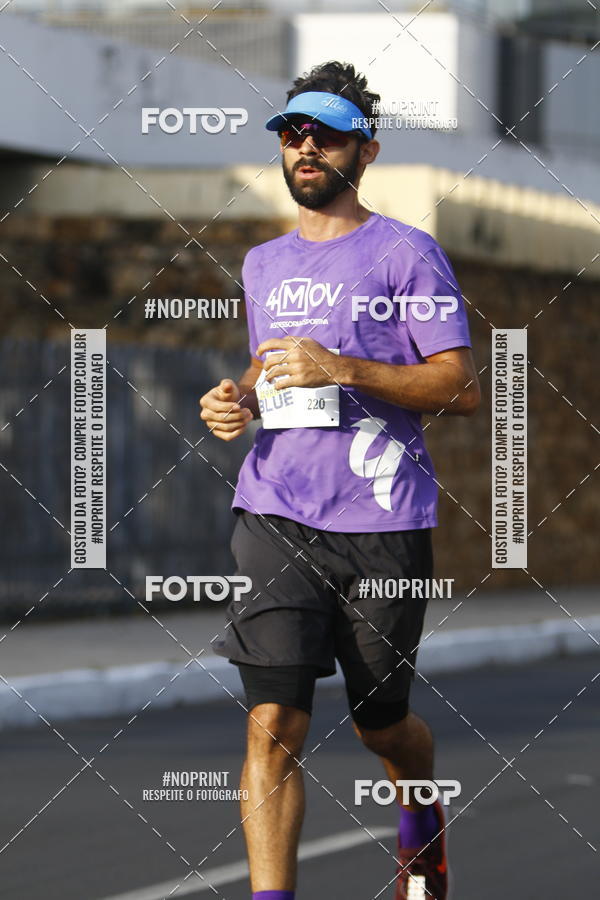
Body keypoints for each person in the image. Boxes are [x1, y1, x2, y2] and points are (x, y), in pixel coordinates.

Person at [199, 60, 480, 900]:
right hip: (274, 511)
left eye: (325, 134)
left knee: (382, 727)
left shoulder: (406, 254)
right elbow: (270, 360)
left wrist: (344, 368)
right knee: (272, 723)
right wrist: (239, 397)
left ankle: (421, 832)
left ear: (366, 150)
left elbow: (459, 386)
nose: (306, 146)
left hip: (381, 519)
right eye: (292, 133)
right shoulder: (261, 262)